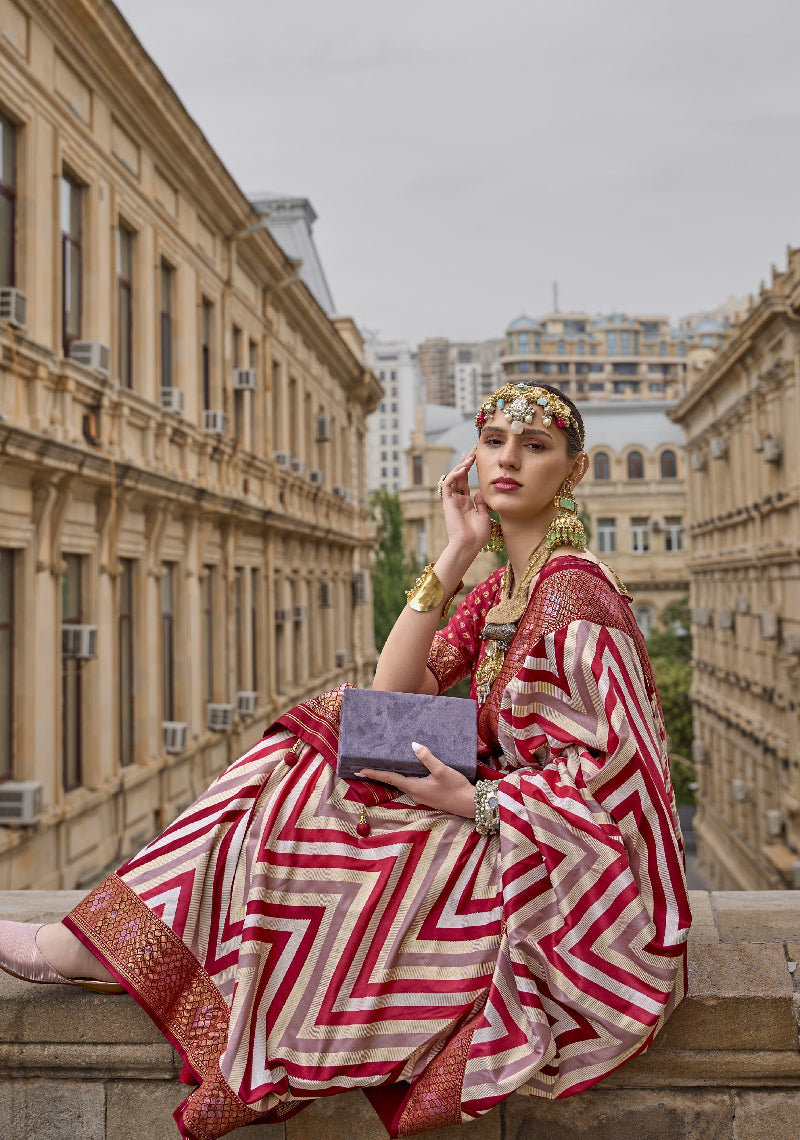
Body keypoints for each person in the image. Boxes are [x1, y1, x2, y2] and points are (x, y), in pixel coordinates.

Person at [0, 383, 690, 1139]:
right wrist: (455, 549)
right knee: (328, 733)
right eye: (494, 440)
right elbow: (397, 688)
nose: (509, 460)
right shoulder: (506, 588)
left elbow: (624, 782)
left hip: (567, 868)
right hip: (510, 819)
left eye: (535, 447)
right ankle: (119, 943)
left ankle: (108, 948)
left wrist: (474, 803)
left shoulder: (577, 599)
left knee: (315, 788)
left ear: (575, 470)